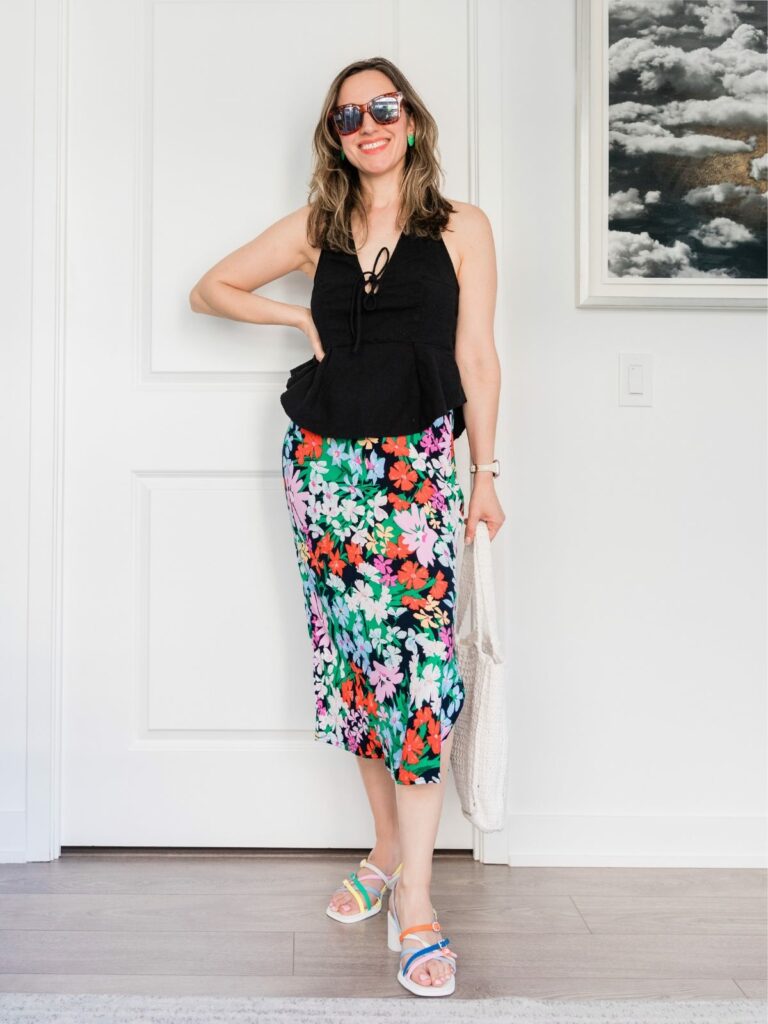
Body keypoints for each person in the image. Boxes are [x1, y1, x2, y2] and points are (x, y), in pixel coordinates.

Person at [189, 56, 504, 998]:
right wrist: (296, 320)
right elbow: (211, 289)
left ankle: (415, 902)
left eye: (382, 108)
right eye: (347, 116)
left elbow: (478, 356)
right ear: (334, 135)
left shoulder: (461, 228)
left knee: (417, 675)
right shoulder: (316, 229)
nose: (366, 124)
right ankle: (382, 851)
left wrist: (484, 474)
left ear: (411, 120)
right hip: (323, 472)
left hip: (415, 474)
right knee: (359, 670)